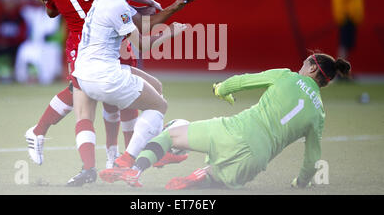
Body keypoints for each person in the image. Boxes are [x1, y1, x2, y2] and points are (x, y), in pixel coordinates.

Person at [24, 0, 193, 166]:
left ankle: (117, 158)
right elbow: (135, 12)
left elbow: (52, 12)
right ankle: (111, 158)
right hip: (94, 41)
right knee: (86, 98)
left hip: (92, 40)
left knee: (101, 99)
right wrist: (158, 7)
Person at [99, 53, 351, 189]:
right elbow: (311, 159)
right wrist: (301, 182)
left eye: (303, 65)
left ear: (313, 70)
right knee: (218, 179)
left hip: (235, 131)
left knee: (171, 133)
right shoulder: (319, 114)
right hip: (257, 159)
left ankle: (134, 170)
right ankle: (204, 177)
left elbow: (243, 81)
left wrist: (221, 89)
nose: (299, 69)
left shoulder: (285, 76)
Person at [67, 0, 195, 186]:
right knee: (159, 105)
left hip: (85, 75)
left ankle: (153, 148)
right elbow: (142, 46)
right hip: (103, 76)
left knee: (156, 86)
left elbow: (141, 24)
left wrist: (170, 9)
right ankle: (126, 162)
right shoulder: (117, 5)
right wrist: (171, 32)